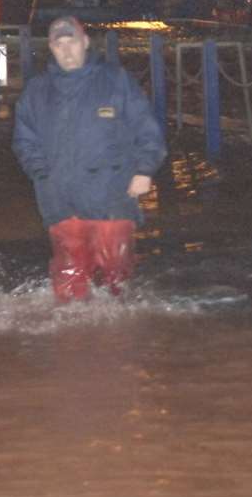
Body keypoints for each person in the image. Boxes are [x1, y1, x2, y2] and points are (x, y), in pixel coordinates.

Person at [12, 15, 168, 301]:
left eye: (72, 41)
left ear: (85, 43)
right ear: (51, 48)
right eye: (59, 44)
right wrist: (43, 175)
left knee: (116, 275)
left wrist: (145, 170)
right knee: (69, 279)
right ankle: (71, 340)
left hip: (111, 196)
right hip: (60, 201)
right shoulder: (37, 91)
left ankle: (121, 336)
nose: (67, 50)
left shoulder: (115, 80)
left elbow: (146, 128)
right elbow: (25, 139)